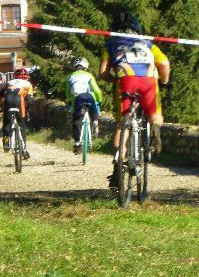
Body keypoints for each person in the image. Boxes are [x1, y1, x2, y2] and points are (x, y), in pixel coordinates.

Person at [99, 12, 170, 186]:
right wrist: (164, 81)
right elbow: (164, 63)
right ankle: (154, 127)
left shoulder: (110, 44)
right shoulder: (148, 43)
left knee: (122, 125)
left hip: (125, 80)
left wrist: (114, 80)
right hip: (148, 80)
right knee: (155, 116)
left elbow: (102, 73)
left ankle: (118, 164)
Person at [0, 67, 34, 158]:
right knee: (22, 125)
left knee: (6, 124)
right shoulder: (28, 84)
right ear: (27, 76)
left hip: (8, 101)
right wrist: (28, 112)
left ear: (14, 76)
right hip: (19, 102)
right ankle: (23, 150)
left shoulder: (9, 82)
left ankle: (6, 143)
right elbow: (30, 101)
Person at [65, 57, 103, 154]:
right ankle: (95, 121)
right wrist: (99, 99)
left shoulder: (70, 77)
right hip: (89, 97)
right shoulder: (89, 75)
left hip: (78, 98)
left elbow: (68, 94)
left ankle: (77, 143)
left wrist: (70, 101)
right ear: (85, 66)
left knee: (77, 121)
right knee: (93, 108)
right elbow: (96, 90)